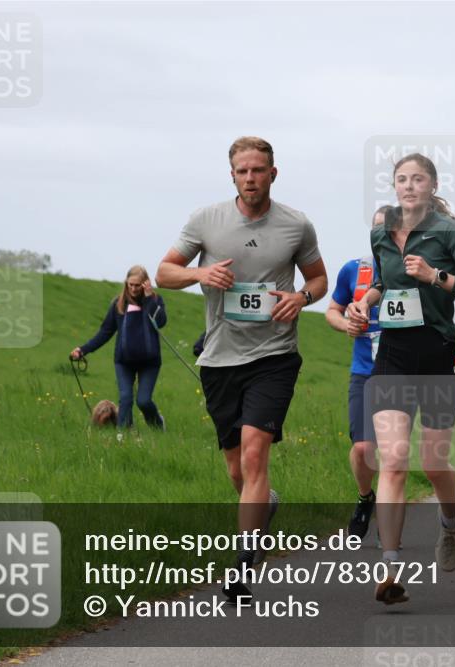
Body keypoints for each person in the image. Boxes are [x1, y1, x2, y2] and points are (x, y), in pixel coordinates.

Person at [154, 136, 327, 602]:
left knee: (254, 455)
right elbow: (163, 273)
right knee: (236, 468)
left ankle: (243, 568)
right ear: (232, 175)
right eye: (242, 171)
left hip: (274, 355)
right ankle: (264, 504)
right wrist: (199, 274)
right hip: (219, 358)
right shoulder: (206, 220)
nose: (251, 178)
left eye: (259, 170)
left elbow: (318, 278)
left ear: (274, 173)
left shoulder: (296, 225)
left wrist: (301, 298)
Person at [346, 153, 455, 605]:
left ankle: (450, 522)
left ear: (432, 186)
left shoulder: (451, 233)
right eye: (401, 180)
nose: (408, 186)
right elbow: (384, 284)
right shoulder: (381, 232)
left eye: (418, 179)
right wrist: (365, 304)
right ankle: (390, 569)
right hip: (392, 356)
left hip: (438, 356)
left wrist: (437, 276)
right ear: (394, 187)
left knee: (433, 464)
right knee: (391, 460)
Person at [325, 206, 390, 540]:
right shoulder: (354, 269)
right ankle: (366, 499)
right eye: (376, 228)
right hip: (364, 370)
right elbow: (332, 311)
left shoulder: (410, 270)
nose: (381, 234)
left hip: (400, 373)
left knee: (393, 452)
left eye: (388, 228)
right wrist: (346, 325)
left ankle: (390, 525)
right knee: (363, 448)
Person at [71, 265, 167, 430]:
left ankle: (159, 426)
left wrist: (150, 299)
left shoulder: (155, 301)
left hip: (149, 362)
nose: (133, 288)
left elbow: (161, 322)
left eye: (137, 285)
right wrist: (83, 349)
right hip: (124, 361)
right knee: (125, 398)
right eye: (130, 284)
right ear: (126, 283)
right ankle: (122, 435)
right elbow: (105, 332)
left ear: (145, 284)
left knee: (143, 401)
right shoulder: (118, 304)